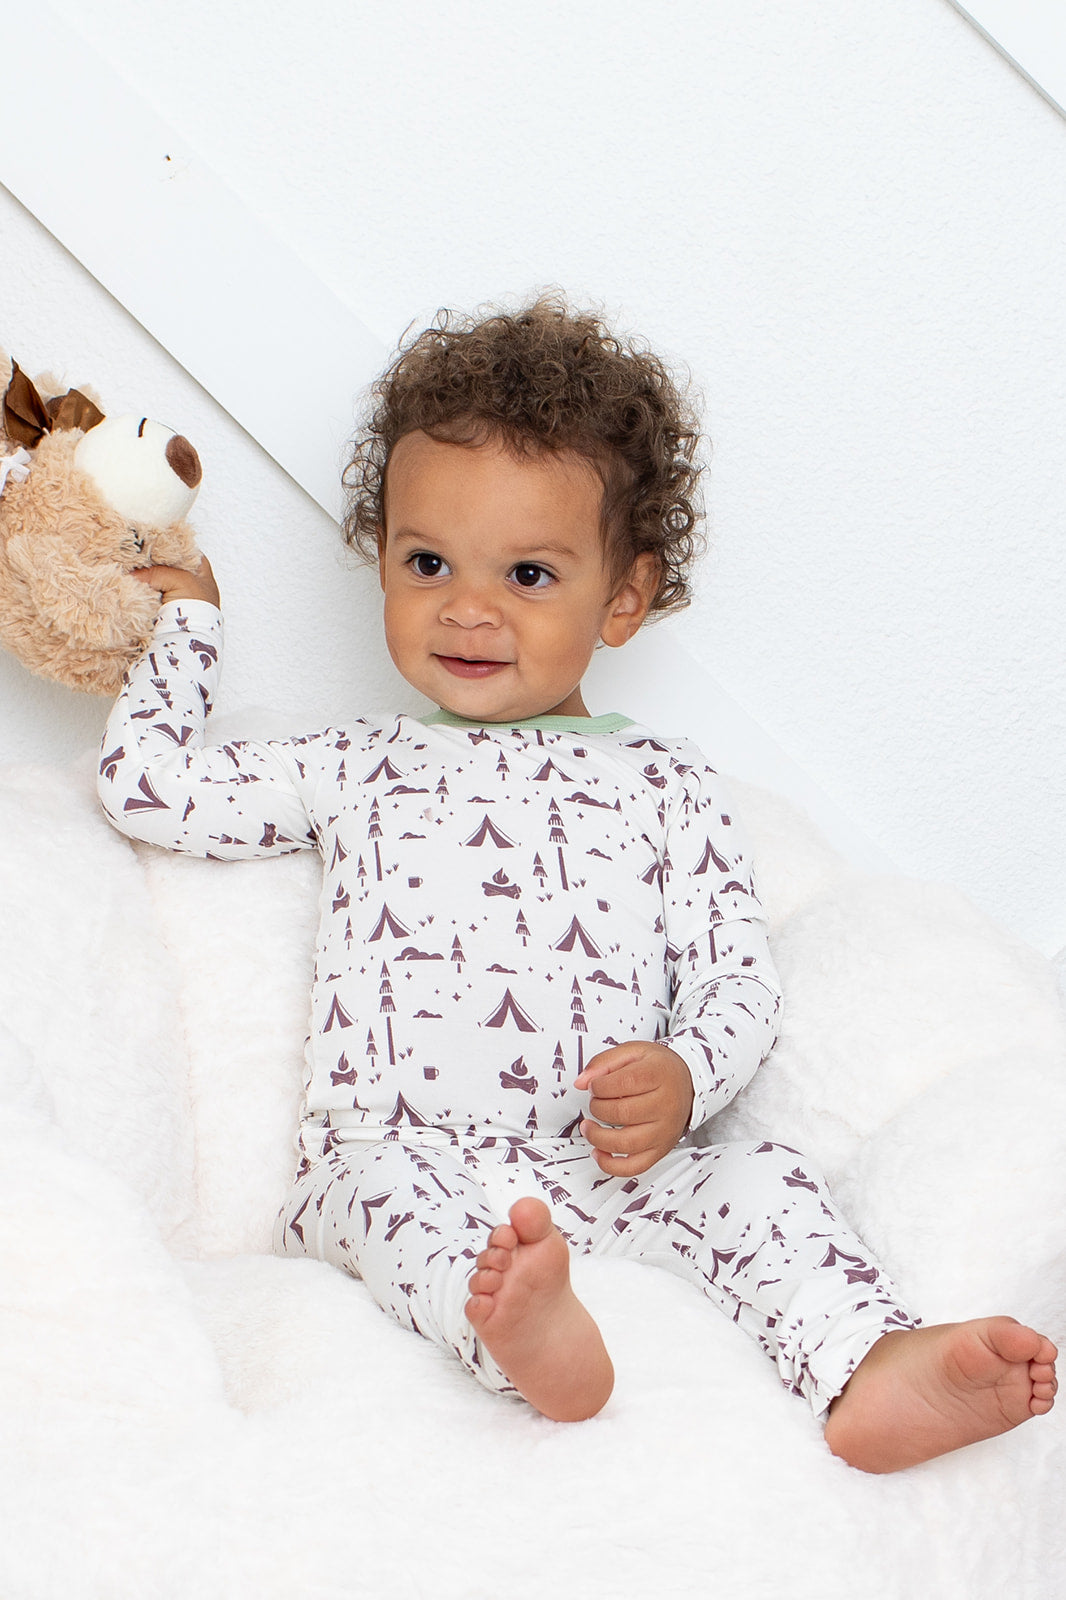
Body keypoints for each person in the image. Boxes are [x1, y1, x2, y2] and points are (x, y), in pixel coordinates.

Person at [98, 297, 1056, 1471]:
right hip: (396, 1149)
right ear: (383, 556)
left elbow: (733, 979)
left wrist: (685, 1074)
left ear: (622, 596)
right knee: (390, 1206)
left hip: (600, 1171)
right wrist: (190, 616)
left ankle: (868, 1360)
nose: (467, 605)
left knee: (760, 1182)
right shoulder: (353, 762)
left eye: (530, 572)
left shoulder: (664, 784)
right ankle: (519, 1329)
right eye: (428, 560)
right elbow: (147, 787)